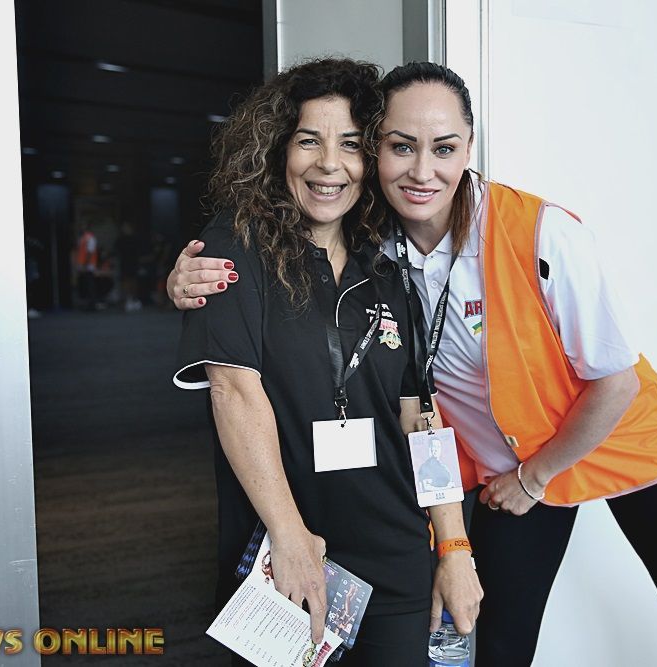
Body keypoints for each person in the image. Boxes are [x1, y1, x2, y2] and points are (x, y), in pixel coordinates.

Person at [167, 61, 657, 666]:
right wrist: (185, 280)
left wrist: (517, 493)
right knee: (499, 645)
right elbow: (402, 401)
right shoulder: (375, 239)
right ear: (379, 150)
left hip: (614, 437)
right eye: (401, 147)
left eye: (444, 148)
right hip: (509, 463)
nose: (421, 171)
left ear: (469, 148)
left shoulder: (541, 233)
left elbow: (614, 384)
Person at [171, 58, 482, 666]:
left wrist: (453, 546)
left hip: (395, 550)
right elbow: (234, 391)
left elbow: (422, 417)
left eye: (351, 145)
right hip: (286, 552)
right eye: (308, 141)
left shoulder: (387, 263)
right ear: (278, 150)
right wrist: (289, 537)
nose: (329, 164)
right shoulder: (237, 248)